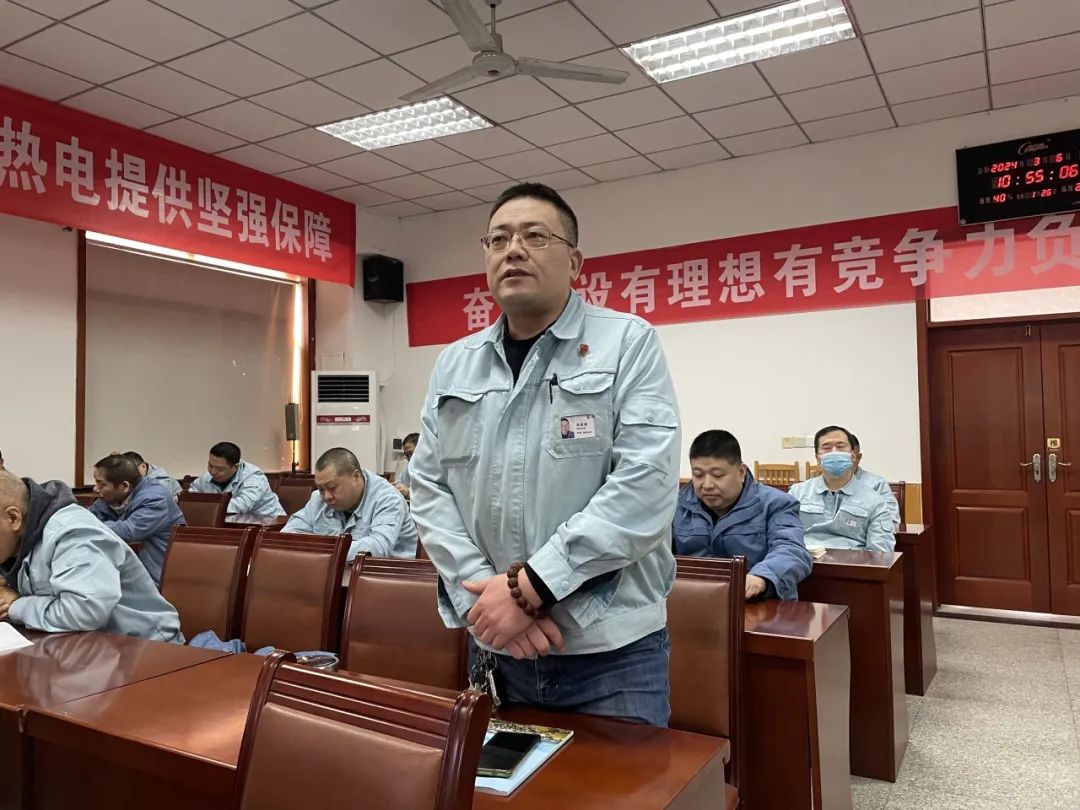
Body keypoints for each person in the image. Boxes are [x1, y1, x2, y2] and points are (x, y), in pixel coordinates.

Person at [411, 183, 681, 728]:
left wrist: (530, 588)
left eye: (535, 236)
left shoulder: (627, 343)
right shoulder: (455, 364)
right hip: (496, 648)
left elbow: (645, 486)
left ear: (575, 262)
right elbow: (429, 488)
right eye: (498, 239)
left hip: (610, 656)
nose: (513, 249)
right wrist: (486, 599)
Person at [0, 469, 182, 641]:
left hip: (146, 647)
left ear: (13, 518)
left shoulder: (75, 534)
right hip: (82, 646)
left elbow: (85, 612)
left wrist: (15, 604)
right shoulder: (18, 541)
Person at [672, 430, 811, 600]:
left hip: (759, 602)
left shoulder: (776, 503)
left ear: (741, 472)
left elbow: (792, 549)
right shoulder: (677, 506)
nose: (707, 485)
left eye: (717, 475)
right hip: (694, 601)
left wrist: (762, 576)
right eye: (698, 475)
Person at [284, 447, 417, 560]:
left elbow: (377, 548)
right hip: (338, 575)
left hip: (388, 577)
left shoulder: (387, 498)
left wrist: (319, 549)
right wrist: (322, 550)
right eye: (320, 489)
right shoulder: (318, 499)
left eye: (332, 487)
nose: (326, 496)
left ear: (356, 477)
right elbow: (287, 536)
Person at [788, 426, 895, 553]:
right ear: (817, 458)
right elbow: (782, 535)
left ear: (853, 456)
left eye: (840, 447)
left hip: (852, 563)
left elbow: (880, 552)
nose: (834, 452)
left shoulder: (875, 501)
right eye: (826, 448)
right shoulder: (797, 493)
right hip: (801, 561)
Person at [88, 454, 186, 585]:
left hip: (157, 577)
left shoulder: (154, 498)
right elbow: (88, 516)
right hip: (125, 573)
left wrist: (88, 525)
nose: (95, 489)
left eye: (101, 484)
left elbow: (128, 532)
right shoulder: (110, 498)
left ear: (124, 486)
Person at [188, 442, 284, 518]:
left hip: (270, 524)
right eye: (210, 465)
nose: (213, 472)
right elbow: (191, 494)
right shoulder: (209, 475)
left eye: (220, 469)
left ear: (235, 467)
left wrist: (208, 506)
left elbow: (243, 505)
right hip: (234, 524)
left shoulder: (253, 477)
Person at [850, 433, 902, 528]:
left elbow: (891, 521)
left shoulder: (876, 484)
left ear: (858, 457)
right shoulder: (822, 484)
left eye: (848, 456)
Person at [394, 432, 420, 498]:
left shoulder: (433, 470)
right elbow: (399, 484)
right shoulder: (406, 469)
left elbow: (430, 496)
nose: (409, 458)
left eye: (411, 453)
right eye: (406, 455)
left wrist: (408, 493)